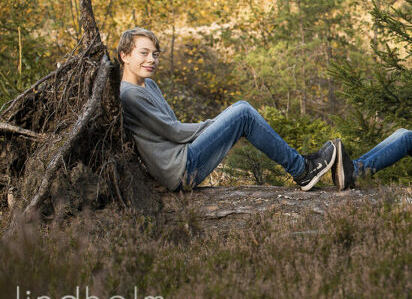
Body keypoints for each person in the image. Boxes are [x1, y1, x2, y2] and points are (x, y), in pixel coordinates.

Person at [117, 27, 342, 192]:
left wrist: (221, 121)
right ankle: (303, 170)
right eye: (144, 53)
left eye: (155, 54)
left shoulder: (149, 85)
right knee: (242, 113)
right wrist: (218, 123)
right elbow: (174, 132)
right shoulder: (129, 94)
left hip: (181, 159)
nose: (152, 60)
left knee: (240, 109)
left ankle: (302, 167)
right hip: (178, 170)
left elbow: (172, 131)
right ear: (125, 56)